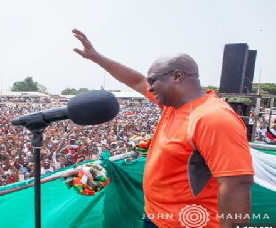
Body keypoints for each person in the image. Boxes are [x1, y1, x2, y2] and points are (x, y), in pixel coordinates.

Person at [72, 29, 254, 228]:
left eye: (153, 81)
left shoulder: (213, 117)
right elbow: (136, 80)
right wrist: (97, 58)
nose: (148, 88)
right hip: (155, 217)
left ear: (177, 76)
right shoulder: (173, 105)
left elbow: (236, 184)